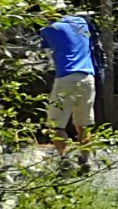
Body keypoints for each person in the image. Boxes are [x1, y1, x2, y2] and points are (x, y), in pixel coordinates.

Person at [39, 11, 98, 154]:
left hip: (66, 77)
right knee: (84, 124)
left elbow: (49, 56)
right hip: (88, 77)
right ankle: (85, 160)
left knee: (56, 126)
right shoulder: (81, 23)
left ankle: (65, 160)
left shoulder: (48, 30)